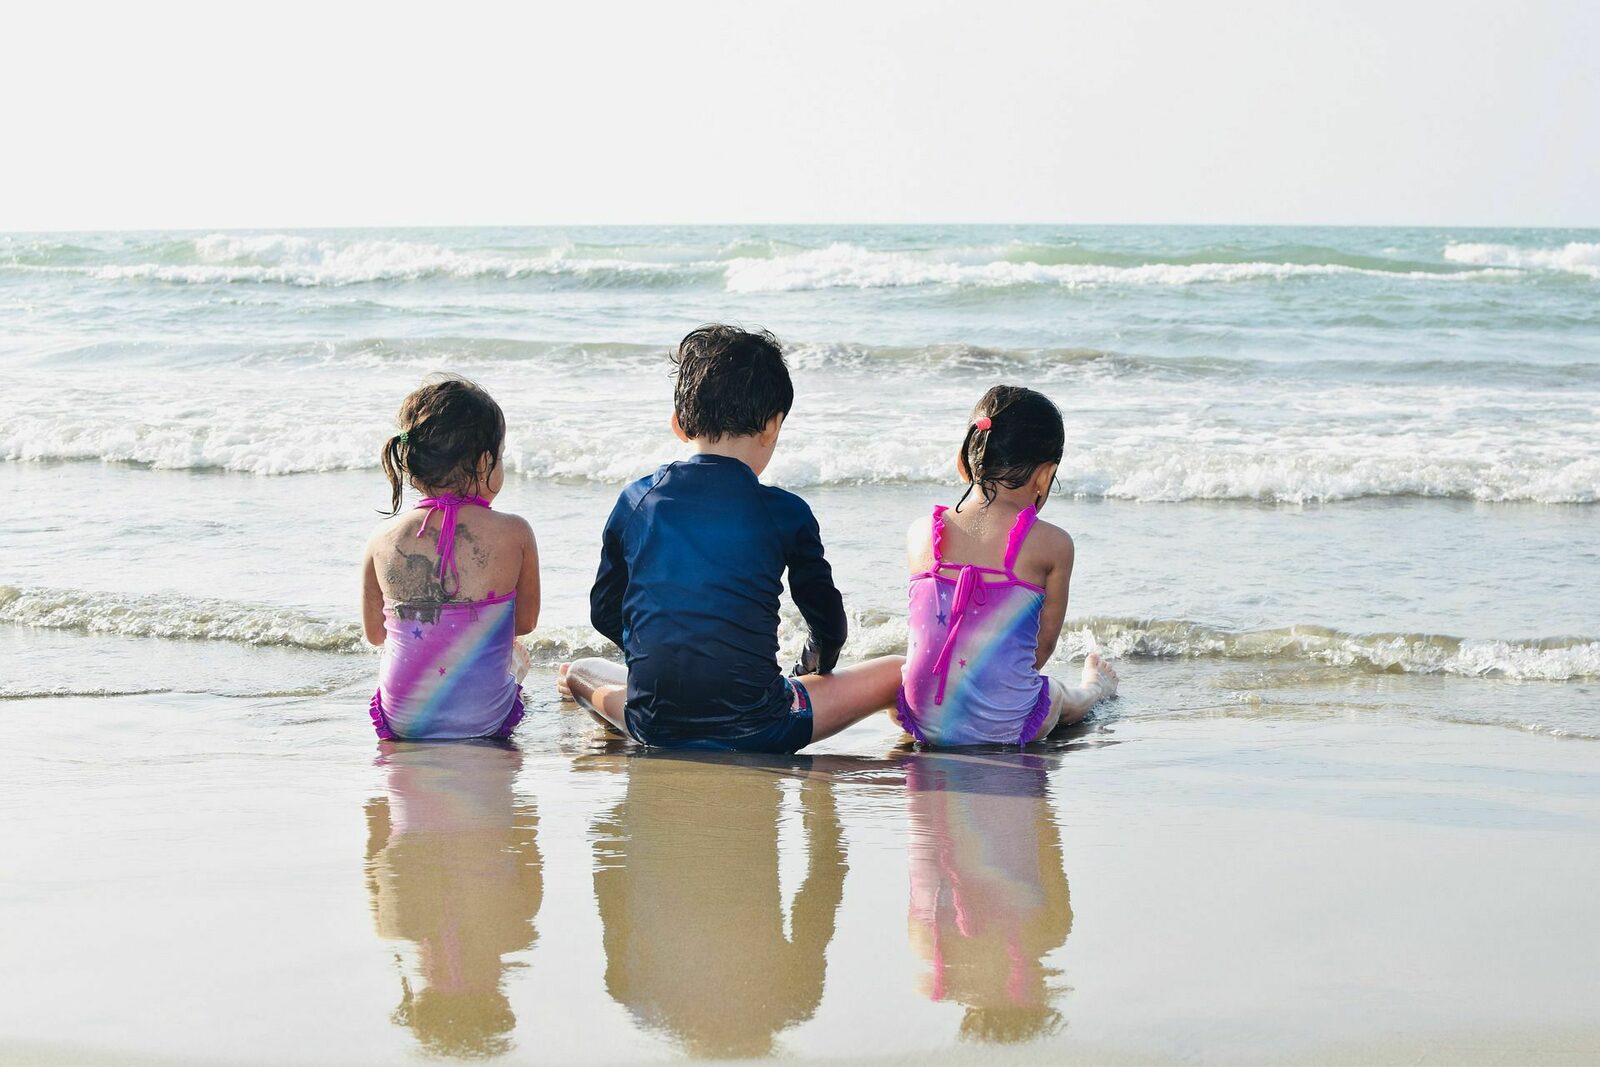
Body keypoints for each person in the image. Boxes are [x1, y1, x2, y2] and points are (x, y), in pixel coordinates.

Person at [559, 324, 902, 752]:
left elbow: (604, 610)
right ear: (772, 426)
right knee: (900, 670)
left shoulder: (636, 500)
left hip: (653, 723)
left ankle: (592, 694)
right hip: (763, 729)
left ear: (680, 423)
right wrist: (809, 671)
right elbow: (829, 628)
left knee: (581, 671)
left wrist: (654, 659)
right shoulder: (786, 512)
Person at [896, 386, 1117, 746]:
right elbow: (1039, 652)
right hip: (1006, 727)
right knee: (1059, 697)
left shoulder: (920, 532)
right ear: (1045, 476)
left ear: (962, 460)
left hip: (922, 720)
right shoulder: (1054, 545)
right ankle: (1095, 687)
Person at [361, 376, 540, 740]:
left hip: (402, 723)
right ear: (485, 461)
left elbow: (375, 634)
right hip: (485, 723)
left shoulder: (381, 539)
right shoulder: (516, 532)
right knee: (517, 655)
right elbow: (524, 624)